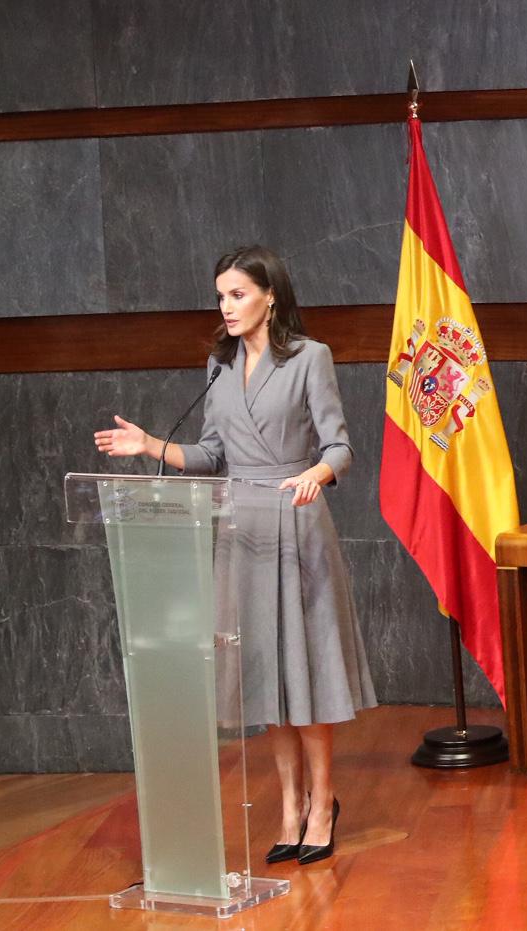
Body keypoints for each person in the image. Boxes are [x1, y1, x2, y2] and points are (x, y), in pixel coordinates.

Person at [93, 245, 376, 866]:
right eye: (221, 295)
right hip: (238, 534)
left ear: (270, 296)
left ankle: (323, 802)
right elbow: (212, 455)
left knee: (303, 674)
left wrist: (317, 475)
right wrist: (150, 446)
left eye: (238, 294)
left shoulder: (310, 359)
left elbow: (341, 446)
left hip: (295, 525)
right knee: (263, 680)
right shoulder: (219, 369)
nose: (226, 306)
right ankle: (289, 808)